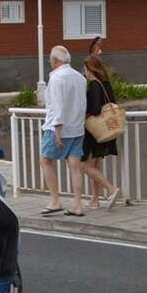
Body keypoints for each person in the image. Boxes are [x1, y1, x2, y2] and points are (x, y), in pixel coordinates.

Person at [40, 45, 87, 217]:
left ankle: (55, 200)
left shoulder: (57, 78)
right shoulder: (80, 78)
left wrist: (57, 131)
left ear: (54, 60)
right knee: (75, 166)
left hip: (58, 128)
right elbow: (82, 105)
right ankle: (77, 204)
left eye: (50, 60)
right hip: (77, 128)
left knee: (45, 161)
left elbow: (57, 107)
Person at [81, 54, 121, 210]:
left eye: (84, 68)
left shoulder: (94, 85)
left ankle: (111, 189)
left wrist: (84, 115)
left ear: (89, 68)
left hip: (94, 131)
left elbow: (96, 108)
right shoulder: (105, 83)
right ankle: (95, 200)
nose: (83, 71)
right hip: (105, 129)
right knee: (95, 166)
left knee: (85, 166)